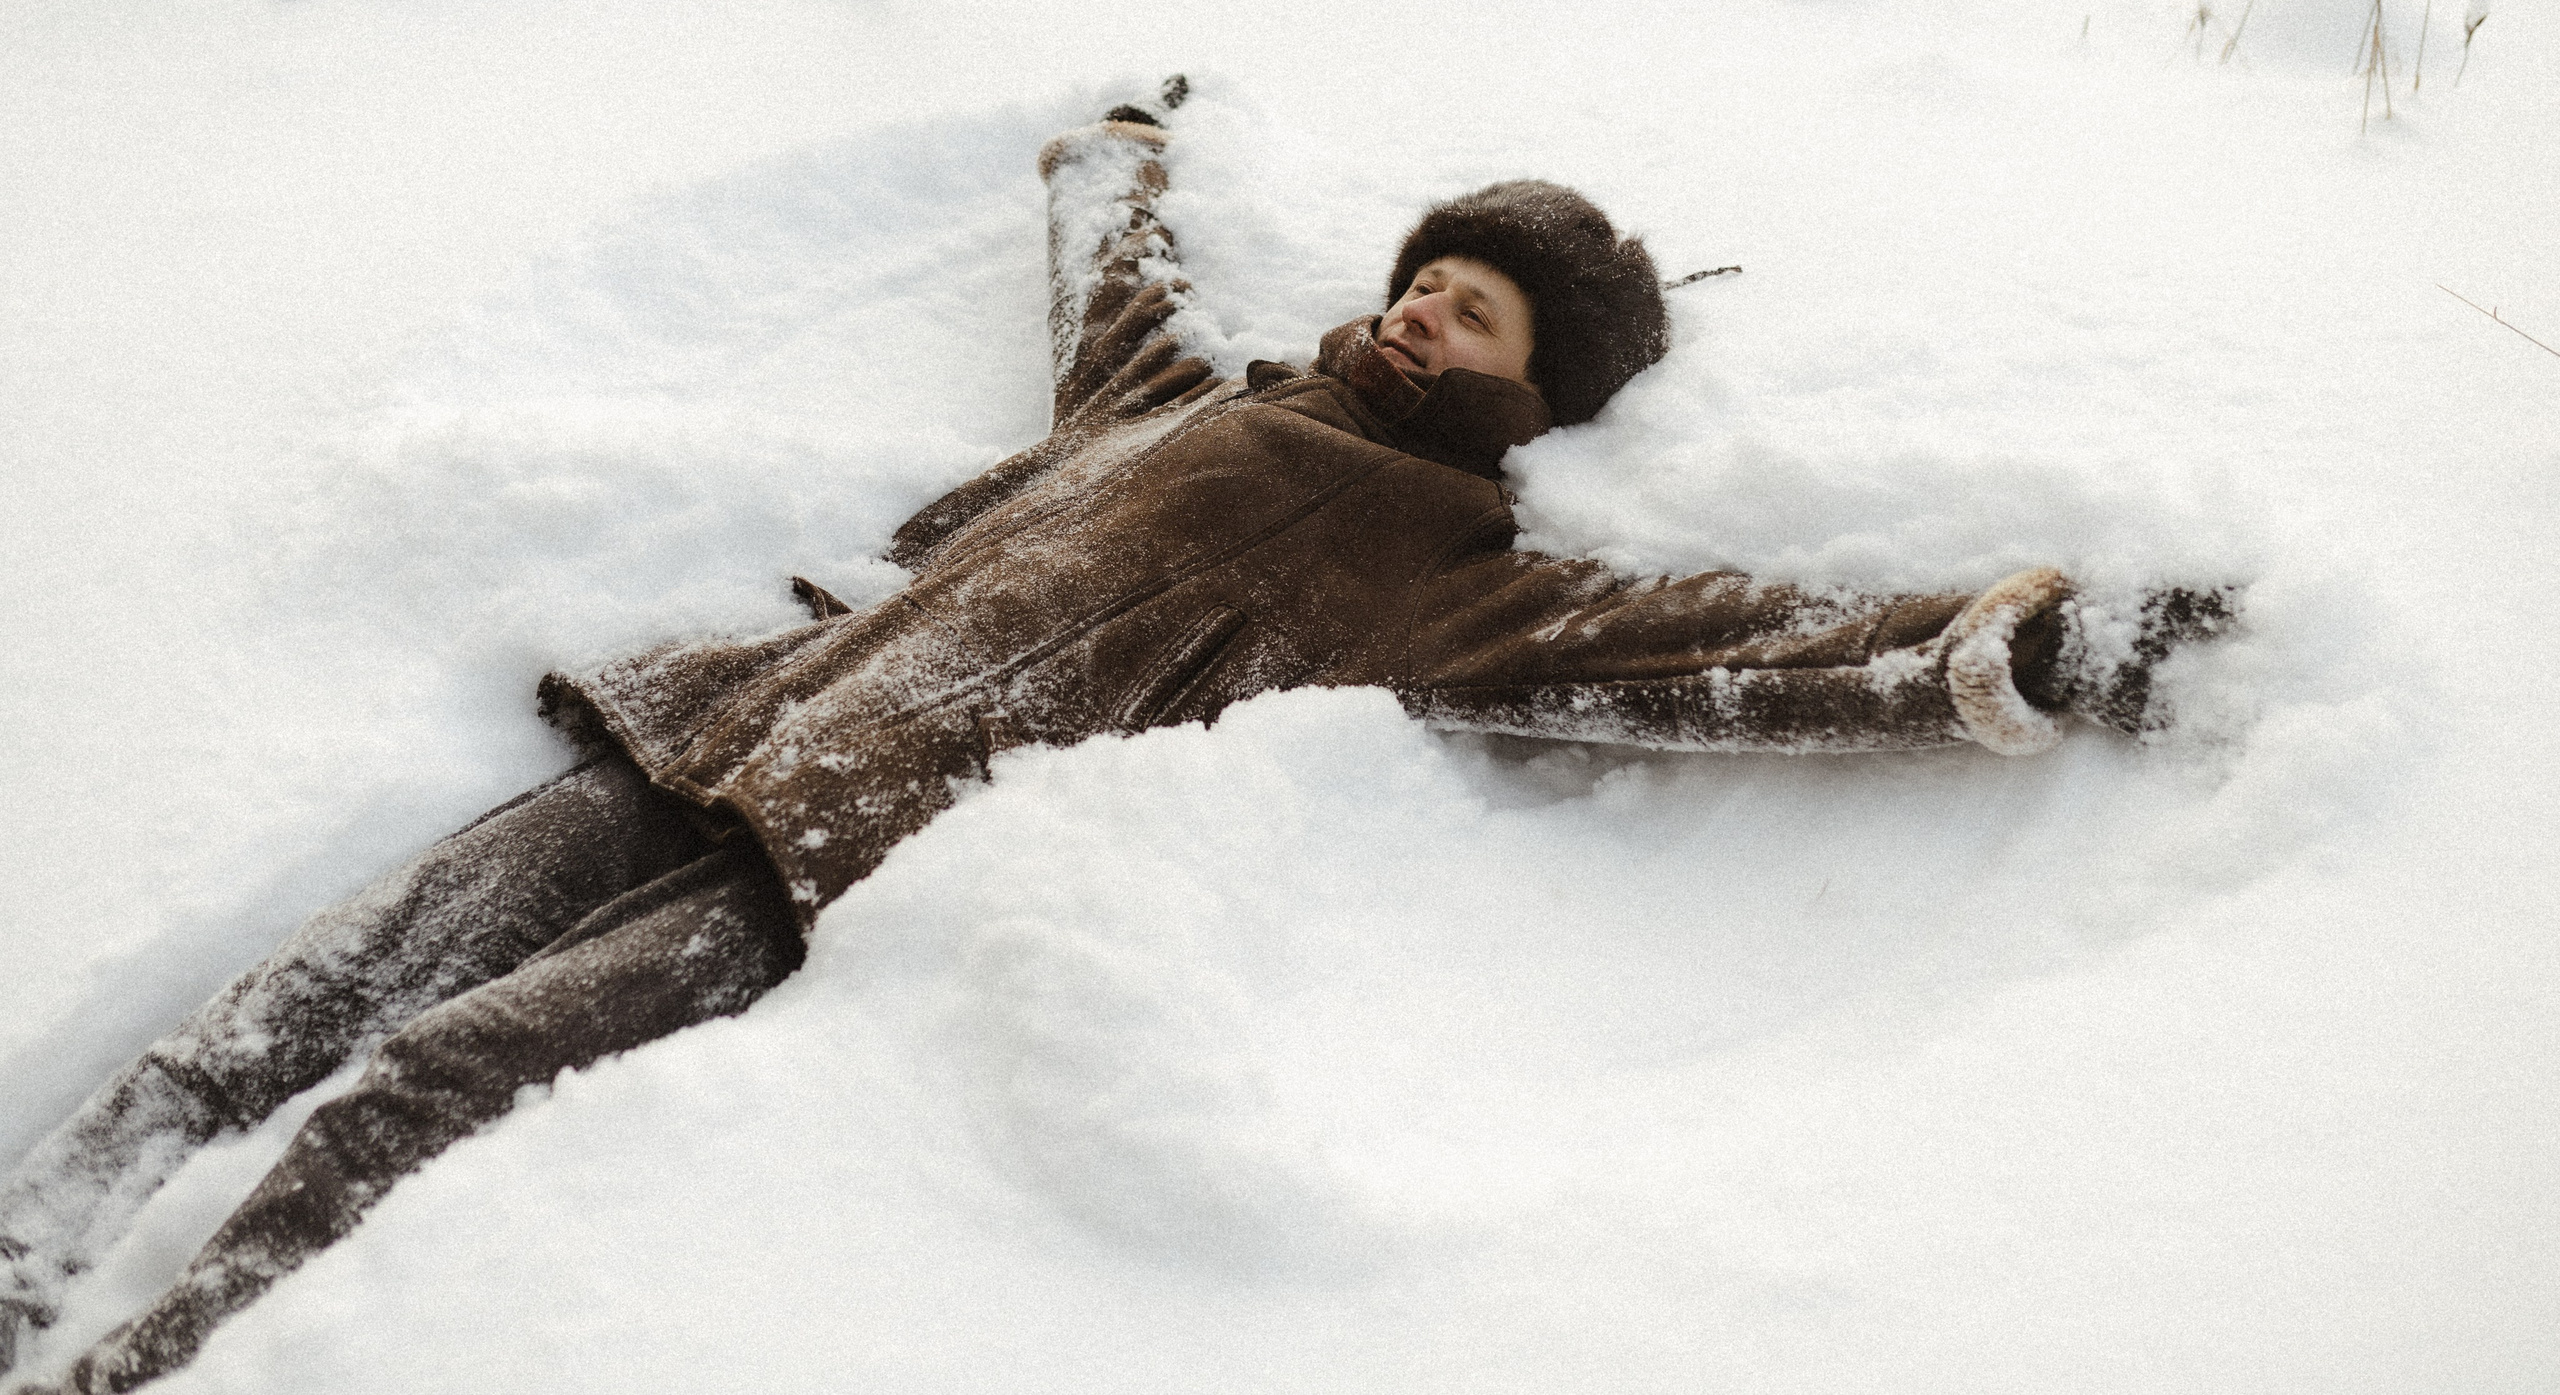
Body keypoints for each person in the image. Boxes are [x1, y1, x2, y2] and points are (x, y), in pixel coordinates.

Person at [0, 86, 2227, 1392]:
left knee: (424, 1077)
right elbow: (1117, 291)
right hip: (716, 727)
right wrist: (1115, 146)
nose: (1410, 303)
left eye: (1467, 307)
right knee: (315, 982)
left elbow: (1697, 644)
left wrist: (2015, 650)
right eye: (1418, 270)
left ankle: (140, 1356)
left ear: (1520, 389)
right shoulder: (1196, 396)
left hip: (829, 869)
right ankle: (31, 1247)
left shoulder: (1445, 561)